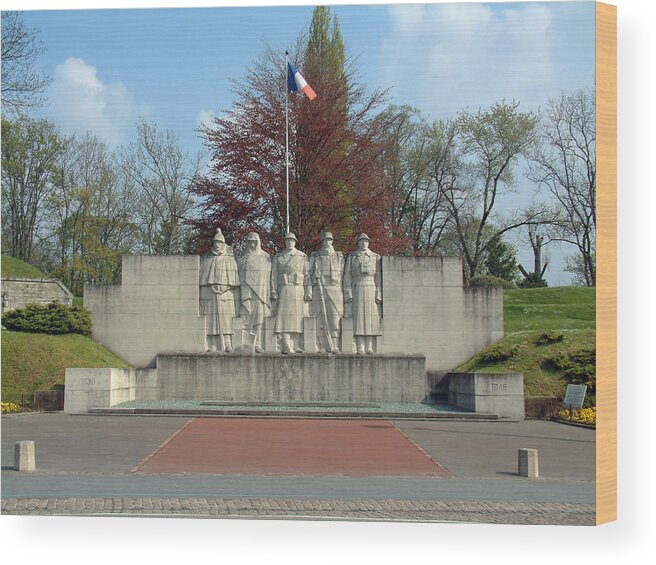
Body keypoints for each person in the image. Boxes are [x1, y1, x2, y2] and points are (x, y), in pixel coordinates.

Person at [199, 228, 240, 352]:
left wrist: (225, 288)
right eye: (215, 242)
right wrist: (210, 287)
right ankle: (213, 343)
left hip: (226, 294)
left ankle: (227, 342)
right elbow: (203, 280)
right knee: (212, 319)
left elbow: (234, 281)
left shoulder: (229, 259)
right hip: (211, 293)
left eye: (219, 243)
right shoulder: (207, 259)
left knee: (226, 319)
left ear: (223, 244)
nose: (217, 245)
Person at [271, 232, 311, 354]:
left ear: (295, 242)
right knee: (285, 318)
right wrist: (273, 290)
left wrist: (308, 291)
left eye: (292, 241)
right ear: (285, 242)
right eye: (288, 240)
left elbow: (308, 275)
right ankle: (286, 344)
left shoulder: (302, 256)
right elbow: (273, 275)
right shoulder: (279, 257)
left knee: (298, 318)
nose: (290, 243)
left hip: (298, 289)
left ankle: (297, 344)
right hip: (285, 289)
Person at [343, 233, 382, 354]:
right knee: (359, 318)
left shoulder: (375, 257)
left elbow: (379, 277)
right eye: (361, 241)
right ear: (358, 243)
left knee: (371, 318)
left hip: (371, 286)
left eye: (366, 241)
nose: (364, 243)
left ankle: (369, 346)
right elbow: (347, 276)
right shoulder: (352, 256)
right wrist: (348, 292)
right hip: (357, 287)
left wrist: (378, 293)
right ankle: (360, 346)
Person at [309, 231, 344, 353]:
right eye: (325, 240)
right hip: (319, 288)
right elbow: (309, 273)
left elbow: (344, 275)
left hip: (334, 289)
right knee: (320, 318)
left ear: (332, 241)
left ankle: (334, 344)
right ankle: (322, 344)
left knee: (335, 318)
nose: (327, 242)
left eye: (329, 240)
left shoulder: (339, 256)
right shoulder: (316, 256)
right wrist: (315, 276)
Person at [237, 232, 271, 354]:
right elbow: (239, 276)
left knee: (259, 319)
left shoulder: (265, 257)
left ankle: (258, 343)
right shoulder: (242, 258)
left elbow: (268, 277)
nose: (252, 244)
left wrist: (269, 293)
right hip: (247, 294)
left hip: (260, 293)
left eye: (254, 242)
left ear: (258, 243)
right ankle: (246, 343)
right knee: (246, 317)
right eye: (250, 242)